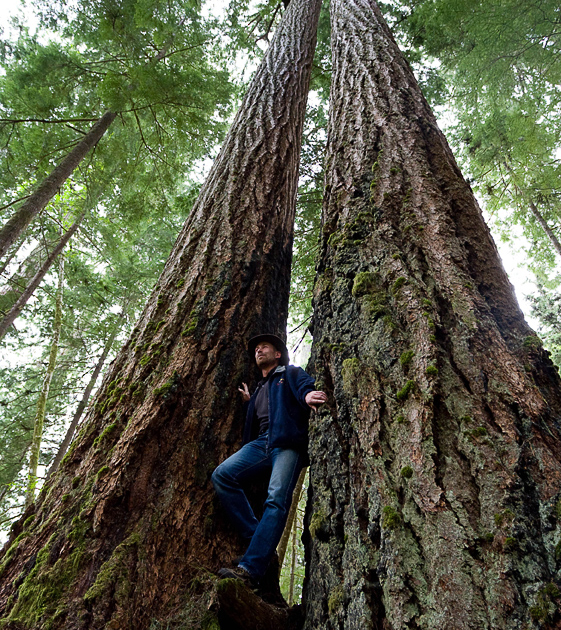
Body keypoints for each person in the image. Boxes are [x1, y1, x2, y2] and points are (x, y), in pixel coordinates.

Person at [212, 333, 327, 589]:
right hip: (261, 444)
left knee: (276, 500)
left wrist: (308, 396)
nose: (258, 351)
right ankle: (259, 539)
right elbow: (263, 413)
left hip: (286, 443)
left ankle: (251, 568)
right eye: (256, 349)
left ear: (277, 354)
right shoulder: (260, 389)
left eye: (264, 347)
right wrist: (249, 402)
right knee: (222, 475)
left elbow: (304, 385)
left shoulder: (289, 373)